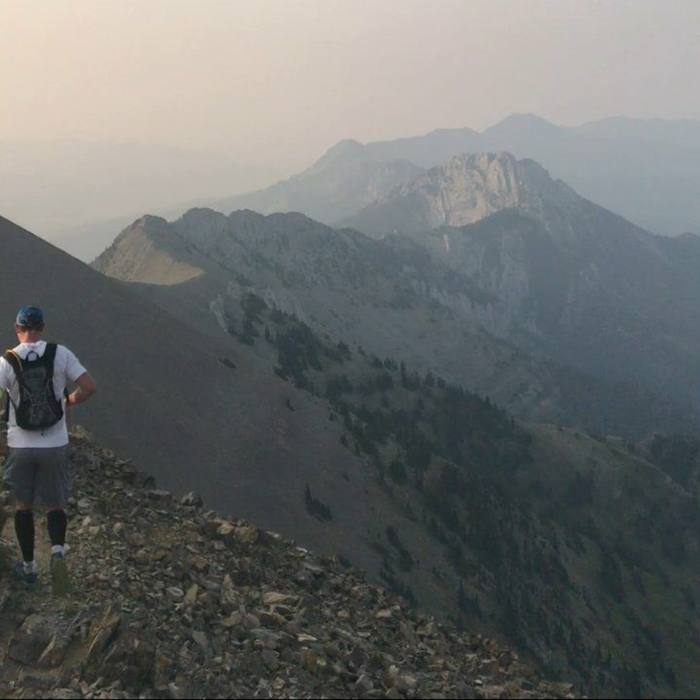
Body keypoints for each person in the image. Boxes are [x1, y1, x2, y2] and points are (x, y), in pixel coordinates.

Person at [0, 306, 96, 594]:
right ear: (42, 327)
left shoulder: (7, 361)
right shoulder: (60, 353)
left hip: (20, 445)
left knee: (23, 506)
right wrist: (70, 401)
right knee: (55, 504)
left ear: (17, 329)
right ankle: (57, 554)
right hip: (55, 443)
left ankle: (29, 569)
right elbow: (89, 387)